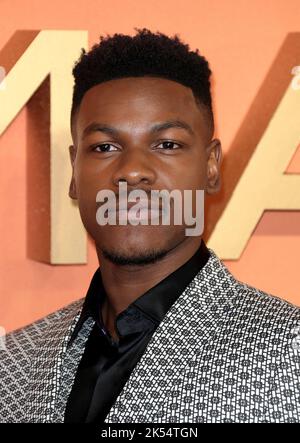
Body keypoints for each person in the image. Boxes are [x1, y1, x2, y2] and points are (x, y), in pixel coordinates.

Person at [1, 28, 299, 424]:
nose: (133, 171)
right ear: (74, 171)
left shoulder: (288, 354)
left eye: (167, 144)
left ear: (211, 166)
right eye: (105, 147)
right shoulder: (16, 362)